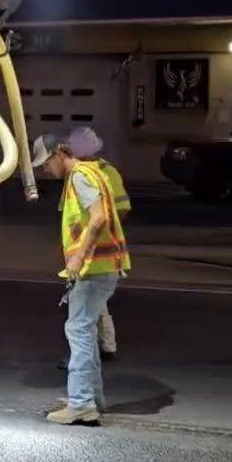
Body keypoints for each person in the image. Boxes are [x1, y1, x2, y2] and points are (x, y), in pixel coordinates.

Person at [31, 133, 131, 424]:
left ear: (60, 153)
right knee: (84, 330)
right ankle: (91, 398)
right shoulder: (91, 172)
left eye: (46, 163)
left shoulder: (79, 177)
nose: (45, 170)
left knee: (77, 330)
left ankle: (82, 403)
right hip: (101, 267)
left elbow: (98, 218)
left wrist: (77, 257)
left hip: (93, 269)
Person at [67, 127, 130, 360]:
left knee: (85, 313)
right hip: (90, 250)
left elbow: (116, 211)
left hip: (94, 252)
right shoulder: (97, 171)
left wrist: (94, 236)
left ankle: (96, 351)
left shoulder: (89, 173)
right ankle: (103, 346)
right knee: (93, 306)